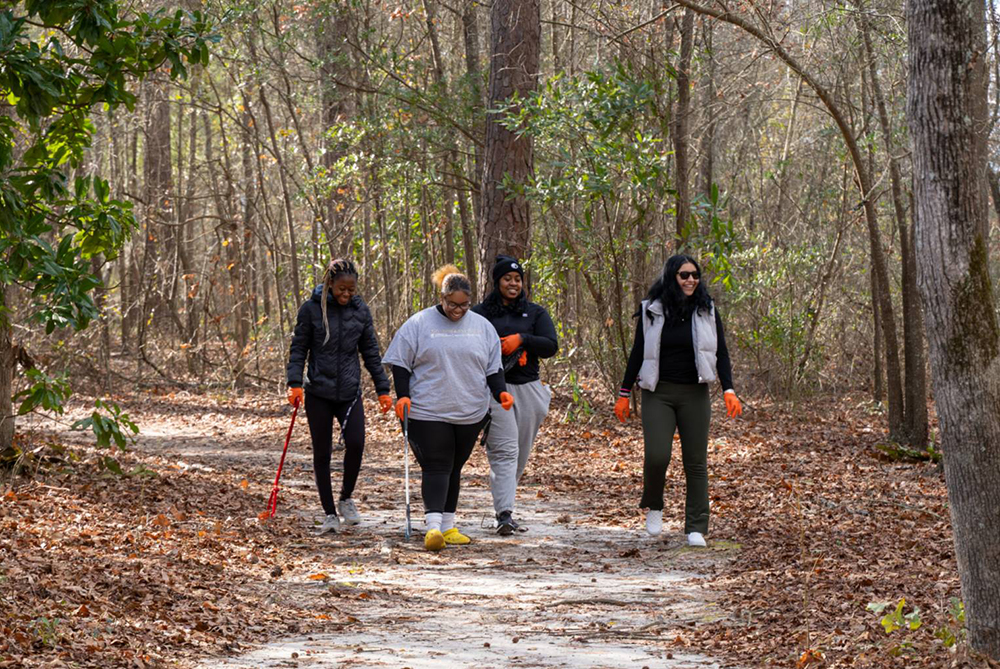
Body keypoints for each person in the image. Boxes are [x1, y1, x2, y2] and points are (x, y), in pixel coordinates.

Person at [382, 264, 514, 551]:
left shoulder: (482, 327)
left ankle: (449, 526)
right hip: (427, 410)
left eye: (465, 304)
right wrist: (402, 395)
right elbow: (400, 363)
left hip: (470, 412)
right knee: (437, 465)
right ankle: (432, 529)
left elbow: (493, 369)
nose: (459, 310)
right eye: (452, 304)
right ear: (441, 298)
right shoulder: (418, 324)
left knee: (455, 467)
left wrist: (500, 393)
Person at [614, 254, 742, 547]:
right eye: (684, 275)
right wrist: (624, 393)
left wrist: (729, 389)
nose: (691, 280)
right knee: (657, 455)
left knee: (695, 462)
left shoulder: (707, 309)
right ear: (672, 277)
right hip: (658, 392)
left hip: (694, 393)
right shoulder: (651, 310)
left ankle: (696, 526)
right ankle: (655, 504)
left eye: (695, 275)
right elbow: (637, 352)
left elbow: (721, 351)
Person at [287, 258, 393, 535]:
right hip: (318, 391)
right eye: (341, 290)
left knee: (356, 443)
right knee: (322, 453)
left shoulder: (360, 311)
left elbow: (370, 351)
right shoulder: (311, 310)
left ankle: (346, 498)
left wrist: (383, 389)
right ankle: (329, 513)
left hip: (349, 391)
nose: (346, 295)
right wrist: (294, 383)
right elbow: (299, 349)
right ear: (329, 284)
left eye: (351, 290)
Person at [472, 255, 558, 535]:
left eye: (517, 279)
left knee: (519, 454)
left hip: (529, 390)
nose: (513, 283)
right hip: (496, 391)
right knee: (505, 451)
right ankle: (504, 514)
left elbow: (550, 346)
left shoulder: (535, 313)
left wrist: (523, 341)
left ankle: (505, 500)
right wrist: (497, 348)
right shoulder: (481, 313)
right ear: (496, 282)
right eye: (507, 279)